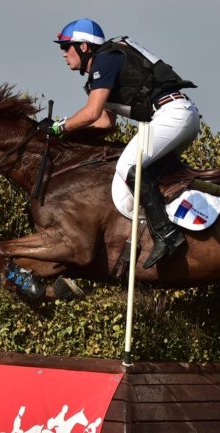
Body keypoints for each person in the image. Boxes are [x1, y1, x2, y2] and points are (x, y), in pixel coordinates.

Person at [44, 18, 200, 268]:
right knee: (140, 180)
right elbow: (106, 123)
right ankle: (160, 230)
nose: (64, 53)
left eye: (66, 46)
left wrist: (60, 126)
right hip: (174, 116)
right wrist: (66, 133)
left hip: (172, 114)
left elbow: (92, 112)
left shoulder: (105, 60)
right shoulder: (101, 69)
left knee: (129, 166)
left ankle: (168, 235)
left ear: (84, 47)